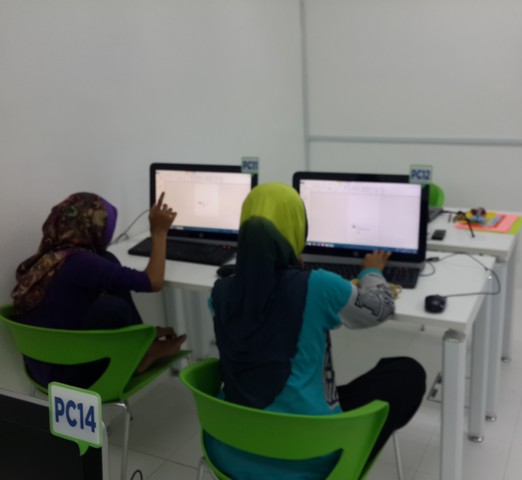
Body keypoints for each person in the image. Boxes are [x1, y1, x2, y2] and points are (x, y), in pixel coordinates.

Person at [208, 182, 426, 479]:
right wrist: (372, 271)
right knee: (406, 372)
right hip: (310, 457)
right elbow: (381, 308)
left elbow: (264, 303)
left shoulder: (219, 294)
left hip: (230, 450)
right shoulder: (318, 285)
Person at [11, 191, 187, 388]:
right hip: (66, 374)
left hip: (42, 367)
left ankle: (142, 346)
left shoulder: (47, 259)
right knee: (114, 308)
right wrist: (159, 232)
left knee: (109, 265)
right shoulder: (81, 262)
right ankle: (140, 354)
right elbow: (153, 282)